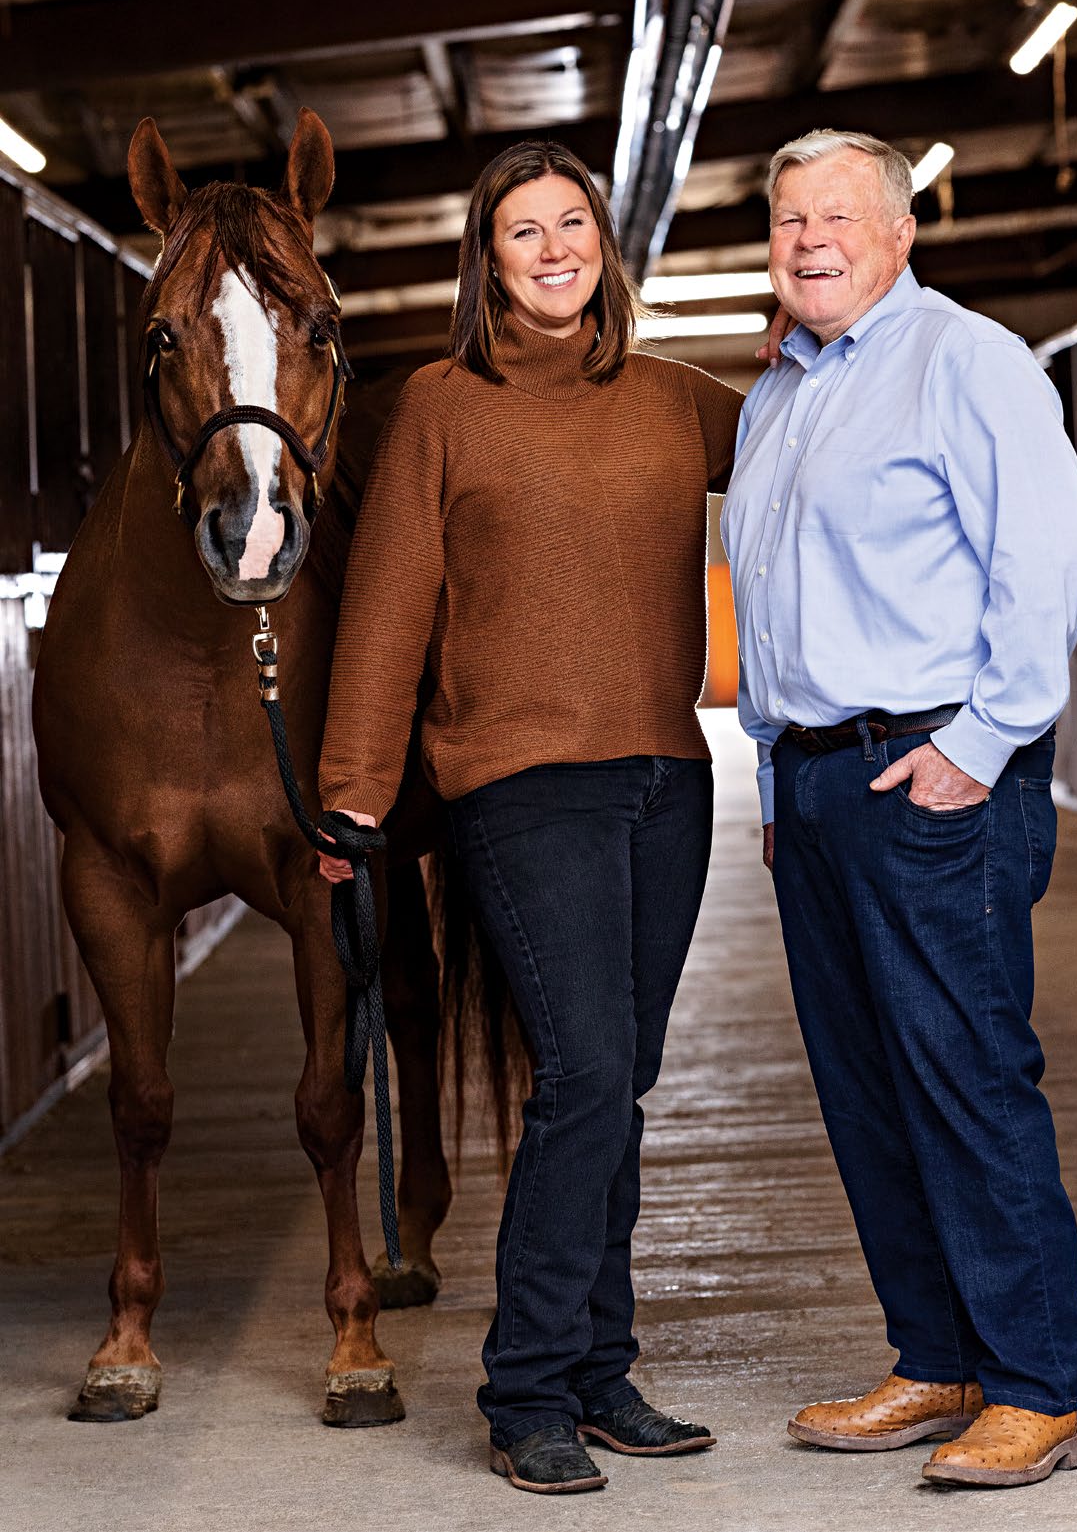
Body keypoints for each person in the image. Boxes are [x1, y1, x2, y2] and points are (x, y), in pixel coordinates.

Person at [317, 140, 745, 1494]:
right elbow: (384, 611)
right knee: (578, 1075)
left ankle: (600, 1364)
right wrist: (350, 794)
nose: (553, 246)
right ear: (484, 260)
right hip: (515, 783)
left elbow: (832, 438)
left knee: (617, 1081)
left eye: (573, 223)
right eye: (523, 230)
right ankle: (524, 1388)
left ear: (604, 247)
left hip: (667, 779)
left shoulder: (679, 402)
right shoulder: (440, 407)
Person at [722, 128, 1077, 1490]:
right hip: (819, 781)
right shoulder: (779, 391)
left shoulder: (963, 360)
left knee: (963, 1075)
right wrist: (776, 772)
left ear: (898, 234)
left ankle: (1041, 1385)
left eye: (835, 216)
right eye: (785, 221)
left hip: (930, 769)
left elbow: (1046, 559)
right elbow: (773, 601)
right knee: (868, 1088)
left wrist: (983, 739)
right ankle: (936, 1357)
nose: (807, 239)